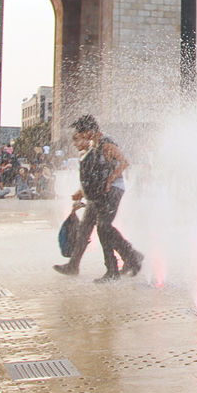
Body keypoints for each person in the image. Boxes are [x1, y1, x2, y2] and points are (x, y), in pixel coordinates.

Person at [53, 115, 143, 283]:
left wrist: (110, 180)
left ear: (88, 131)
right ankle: (75, 265)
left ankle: (122, 263)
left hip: (113, 190)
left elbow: (124, 162)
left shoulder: (106, 142)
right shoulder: (94, 145)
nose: (81, 136)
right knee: (87, 225)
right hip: (100, 192)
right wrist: (82, 192)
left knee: (103, 227)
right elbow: (95, 174)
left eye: (82, 133)